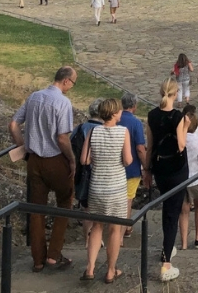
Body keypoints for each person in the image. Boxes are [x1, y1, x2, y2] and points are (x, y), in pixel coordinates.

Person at [8, 66, 77, 272]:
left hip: (34, 160)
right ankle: (54, 254)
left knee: (36, 208)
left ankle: (37, 259)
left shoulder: (34, 97)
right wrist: (72, 160)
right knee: (65, 201)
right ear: (66, 81)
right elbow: (62, 138)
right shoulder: (63, 102)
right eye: (73, 83)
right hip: (55, 159)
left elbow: (13, 124)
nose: (72, 87)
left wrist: (23, 147)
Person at [80, 98, 132, 283]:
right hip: (116, 187)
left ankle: (90, 268)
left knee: (96, 226)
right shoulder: (123, 132)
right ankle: (111, 270)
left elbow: (84, 160)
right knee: (115, 229)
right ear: (116, 113)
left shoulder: (93, 131)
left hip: (97, 186)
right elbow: (127, 160)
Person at [143, 78, 190, 282]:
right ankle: (166, 264)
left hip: (159, 168)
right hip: (176, 168)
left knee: (167, 208)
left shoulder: (152, 115)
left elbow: (150, 145)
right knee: (173, 211)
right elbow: (181, 145)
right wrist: (186, 127)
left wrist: (147, 170)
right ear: (175, 93)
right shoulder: (177, 116)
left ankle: (167, 248)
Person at [70, 98, 104, 246]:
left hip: (81, 174)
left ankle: (87, 239)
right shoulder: (102, 130)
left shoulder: (79, 128)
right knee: (98, 210)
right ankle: (95, 238)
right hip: (98, 173)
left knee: (86, 209)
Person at [178, 105, 198, 250]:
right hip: (195, 178)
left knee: (183, 211)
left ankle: (184, 242)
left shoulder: (179, 139)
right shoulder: (197, 140)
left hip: (181, 179)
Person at [119, 93, 146, 241]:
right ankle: (125, 229)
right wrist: (146, 166)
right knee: (128, 200)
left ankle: (119, 227)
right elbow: (140, 148)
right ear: (134, 106)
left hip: (115, 167)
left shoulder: (115, 119)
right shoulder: (135, 123)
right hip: (131, 167)